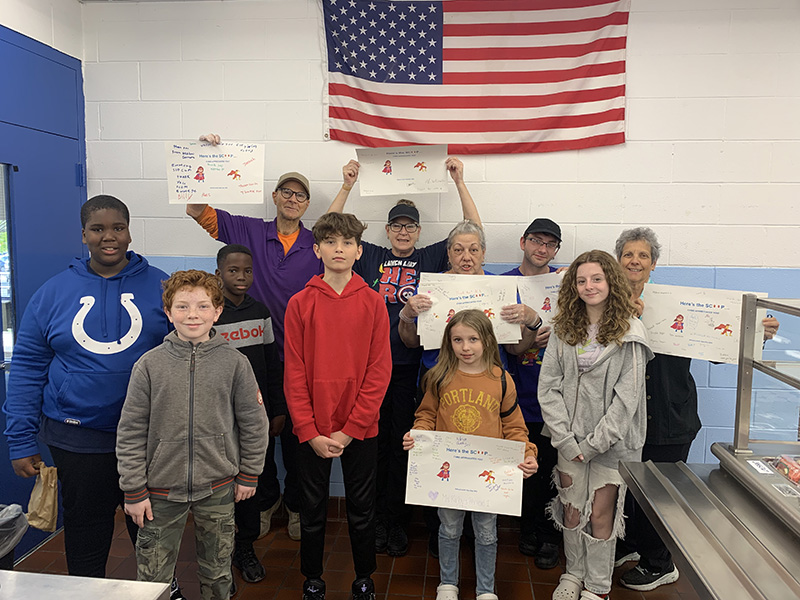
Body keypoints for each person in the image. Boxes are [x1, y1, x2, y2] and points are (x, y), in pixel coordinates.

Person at [186, 133, 354, 541]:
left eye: (301, 195)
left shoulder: (316, 242)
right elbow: (195, 207)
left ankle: (296, 505)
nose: (293, 199)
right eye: (286, 192)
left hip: (301, 359)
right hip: (251, 358)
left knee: (299, 440)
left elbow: (334, 228)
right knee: (252, 438)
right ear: (275, 196)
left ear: (306, 204)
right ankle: (264, 502)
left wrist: (347, 187)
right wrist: (204, 156)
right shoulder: (246, 230)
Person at [2, 195, 171, 579]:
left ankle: (162, 588)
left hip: (150, 438)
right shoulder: (53, 293)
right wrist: (21, 440)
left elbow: (186, 359)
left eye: (117, 228)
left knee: (153, 531)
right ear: (83, 235)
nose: (108, 237)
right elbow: (28, 367)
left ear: (129, 232)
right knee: (85, 532)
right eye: (97, 229)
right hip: (77, 440)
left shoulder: (163, 287)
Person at [327, 157, 481, 556]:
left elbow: (473, 232)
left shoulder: (429, 258)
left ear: (418, 231)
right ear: (387, 230)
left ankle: (396, 521)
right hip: (369, 369)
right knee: (370, 446)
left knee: (401, 445)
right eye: (396, 225)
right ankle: (375, 519)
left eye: (410, 225)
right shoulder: (372, 254)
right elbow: (328, 232)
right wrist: (345, 186)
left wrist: (459, 181)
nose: (403, 231)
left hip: (412, 370)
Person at [612, 227, 781, 592]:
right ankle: (632, 545)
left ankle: (660, 563)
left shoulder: (678, 304)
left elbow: (717, 350)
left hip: (672, 415)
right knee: (628, 484)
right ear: (618, 261)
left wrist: (757, 334)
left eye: (643, 255)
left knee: (659, 491)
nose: (635, 261)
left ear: (653, 263)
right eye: (628, 254)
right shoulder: (607, 304)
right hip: (627, 418)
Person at [117, 269, 268, 600]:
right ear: (168, 313)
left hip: (217, 487)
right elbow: (130, 431)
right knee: (152, 574)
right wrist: (133, 490)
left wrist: (249, 473)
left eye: (202, 306)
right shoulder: (149, 365)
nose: (193, 315)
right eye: (182, 307)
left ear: (217, 312)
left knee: (217, 572)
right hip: (159, 492)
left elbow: (254, 423)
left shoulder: (235, 363)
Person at [398, 219, 537, 555]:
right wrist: (406, 314)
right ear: (448, 254)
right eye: (458, 249)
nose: (466, 256)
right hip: (439, 388)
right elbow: (410, 343)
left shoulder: (501, 292)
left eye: (473, 249)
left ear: (484, 253)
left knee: (480, 461)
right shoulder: (430, 291)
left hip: (488, 392)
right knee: (439, 460)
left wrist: (531, 322)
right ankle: (441, 532)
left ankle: (479, 534)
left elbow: (518, 350)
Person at [283, 212, 391, 600]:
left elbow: (379, 372)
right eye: (330, 242)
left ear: (359, 251)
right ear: (317, 249)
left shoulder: (374, 303)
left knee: (362, 508)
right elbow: (293, 372)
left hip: (359, 428)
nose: (339, 249)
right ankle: (312, 576)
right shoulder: (300, 303)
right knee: (312, 509)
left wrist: (351, 428)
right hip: (311, 429)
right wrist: (309, 430)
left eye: (347, 243)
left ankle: (364, 576)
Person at [538, 250, 653, 600]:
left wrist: (591, 445)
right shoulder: (563, 329)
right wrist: (566, 440)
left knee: (601, 515)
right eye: (582, 280)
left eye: (597, 278)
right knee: (572, 510)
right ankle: (574, 573)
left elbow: (626, 402)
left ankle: (598, 585)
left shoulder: (631, 332)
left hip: (611, 445)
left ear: (611, 282)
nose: (589, 286)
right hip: (568, 442)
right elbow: (549, 387)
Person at [402, 309, 538, 600]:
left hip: (487, 476)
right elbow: (425, 416)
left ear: (488, 341)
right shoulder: (439, 377)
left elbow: (514, 426)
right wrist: (418, 436)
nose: (466, 347)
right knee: (449, 529)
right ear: (448, 342)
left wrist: (528, 452)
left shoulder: (502, 380)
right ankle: (448, 583)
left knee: (487, 533)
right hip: (448, 473)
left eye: (473, 339)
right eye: (458, 340)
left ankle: (485, 589)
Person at [213, 244, 285, 585]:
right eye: (233, 270)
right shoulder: (211, 314)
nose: (241, 277)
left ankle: (245, 548)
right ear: (219, 274)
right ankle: (217, 553)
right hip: (218, 422)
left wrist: (277, 409)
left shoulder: (261, 311)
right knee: (221, 490)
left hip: (256, 418)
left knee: (250, 486)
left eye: (247, 271)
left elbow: (272, 365)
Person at [501, 218, 564, 568]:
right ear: (523, 242)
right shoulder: (503, 284)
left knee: (554, 469)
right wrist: (532, 331)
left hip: (557, 395)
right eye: (536, 241)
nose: (542, 249)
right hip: (518, 391)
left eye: (550, 245)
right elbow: (511, 348)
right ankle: (527, 529)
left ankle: (548, 535)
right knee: (525, 464)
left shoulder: (564, 283)